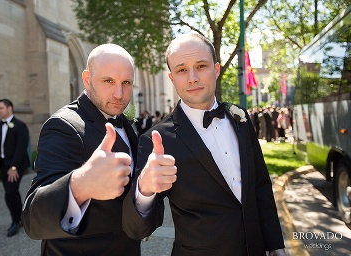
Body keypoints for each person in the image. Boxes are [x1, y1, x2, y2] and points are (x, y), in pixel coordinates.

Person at [122, 33, 285, 255]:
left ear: (216, 69)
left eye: (201, 66)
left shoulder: (240, 118)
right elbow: (137, 229)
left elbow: (261, 187)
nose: (192, 77)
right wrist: (145, 190)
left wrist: (276, 245)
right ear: (172, 78)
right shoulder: (156, 140)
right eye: (181, 70)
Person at [21, 44, 140, 255]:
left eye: (126, 83)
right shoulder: (63, 125)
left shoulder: (124, 123)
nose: (119, 93)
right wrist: (80, 185)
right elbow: (33, 219)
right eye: (108, 81)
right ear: (87, 79)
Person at [0, 98, 30, 237]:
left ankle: (16, 221)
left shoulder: (20, 125)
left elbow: (21, 148)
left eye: (1, 108)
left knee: (10, 192)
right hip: (4, 165)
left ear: (10, 108)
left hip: (17, 165)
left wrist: (14, 167)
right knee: (12, 193)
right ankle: (22, 217)